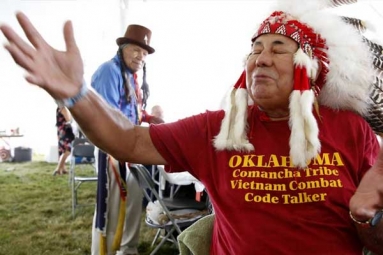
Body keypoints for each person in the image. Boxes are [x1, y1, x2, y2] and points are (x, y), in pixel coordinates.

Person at [2, 0, 383, 254]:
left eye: (279, 48)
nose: (260, 59)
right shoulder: (218, 130)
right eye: (255, 49)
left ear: (310, 66)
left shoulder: (352, 132)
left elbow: (374, 238)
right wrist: (78, 93)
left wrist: (366, 216)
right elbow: (129, 140)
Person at [90, 24, 163, 255]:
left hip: (130, 147)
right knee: (111, 207)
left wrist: (151, 119)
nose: (140, 57)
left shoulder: (131, 76)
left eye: (144, 53)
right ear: (122, 48)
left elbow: (133, 112)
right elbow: (107, 116)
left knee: (133, 198)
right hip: (110, 148)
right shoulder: (109, 72)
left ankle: (127, 248)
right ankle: (105, 251)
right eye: (136, 50)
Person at [53, 106, 75, 176]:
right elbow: (69, 120)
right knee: (68, 149)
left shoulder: (59, 107)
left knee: (62, 149)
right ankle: (58, 168)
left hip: (61, 131)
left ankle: (63, 168)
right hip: (66, 131)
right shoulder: (63, 108)